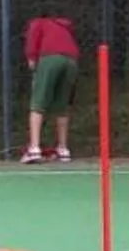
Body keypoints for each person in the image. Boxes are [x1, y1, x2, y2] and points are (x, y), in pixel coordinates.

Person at [22, 13, 83, 162]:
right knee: (62, 105)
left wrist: (32, 60)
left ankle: (34, 149)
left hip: (50, 57)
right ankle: (63, 149)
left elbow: (32, 43)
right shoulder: (64, 27)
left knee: (37, 103)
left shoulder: (38, 22)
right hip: (71, 60)